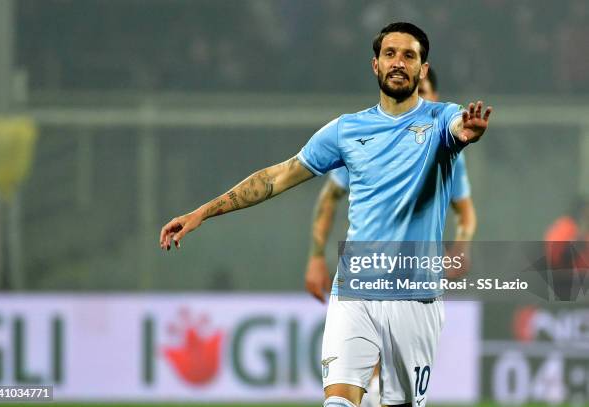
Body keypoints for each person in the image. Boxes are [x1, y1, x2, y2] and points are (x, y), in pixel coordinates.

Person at [160, 22, 492, 407]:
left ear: (422, 68)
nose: (398, 62)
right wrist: (203, 212)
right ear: (375, 65)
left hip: (415, 297)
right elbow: (279, 175)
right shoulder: (347, 130)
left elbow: (458, 127)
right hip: (355, 290)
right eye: (390, 54)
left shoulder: (439, 119)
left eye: (409, 55)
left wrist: (468, 131)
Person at [304, 68, 477, 407]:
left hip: (414, 281)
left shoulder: (448, 146)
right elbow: (329, 198)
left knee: (395, 392)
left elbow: (466, 213)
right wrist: (315, 255)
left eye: (427, 92)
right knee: (346, 390)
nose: (422, 97)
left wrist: (461, 247)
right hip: (362, 276)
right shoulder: (366, 137)